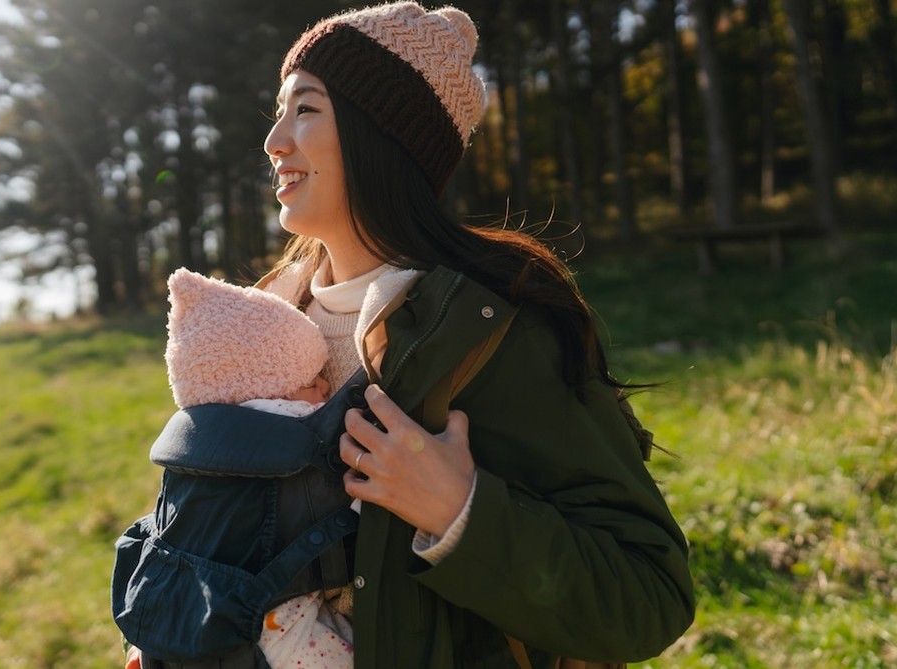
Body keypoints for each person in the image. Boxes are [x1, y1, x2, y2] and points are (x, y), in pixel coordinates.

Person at [124, 2, 694, 667]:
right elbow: (206, 527)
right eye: (279, 111)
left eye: (305, 109)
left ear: (381, 135)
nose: (275, 140)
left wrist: (461, 511)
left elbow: (648, 593)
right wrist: (168, 636)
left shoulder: (490, 330)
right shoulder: (261, 324)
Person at [161, 267, 353, 669]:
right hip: (277, 626)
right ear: (271, 390)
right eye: (310, 380)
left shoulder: (199, 439)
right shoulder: (285, 435)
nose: (324, 387)